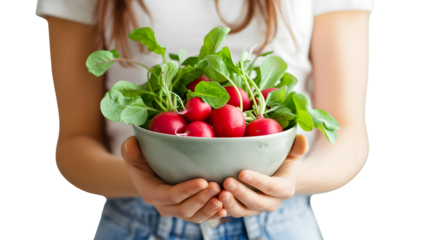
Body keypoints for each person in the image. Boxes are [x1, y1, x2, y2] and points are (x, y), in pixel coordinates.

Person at [36, 0, 373, 239]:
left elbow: (350, 135)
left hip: (283, 224)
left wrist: (291, 182)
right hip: (137, 221)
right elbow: (74, 144)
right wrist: (143, 182)